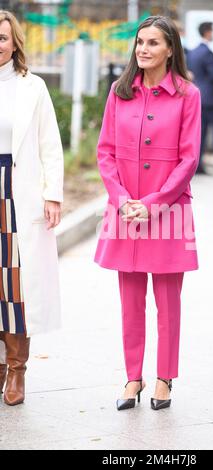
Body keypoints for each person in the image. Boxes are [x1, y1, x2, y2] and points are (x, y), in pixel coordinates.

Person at [94, 15, 200, 411]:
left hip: (169, 209)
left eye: (153, 43)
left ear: (170, 49)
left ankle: (164, 379)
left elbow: (189, 159)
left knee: (168, 303)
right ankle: (132, 378)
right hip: (124, 210)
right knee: (130, 300)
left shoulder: (189, 95)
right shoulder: (119, 92)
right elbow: (105, 152)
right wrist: (122, 199)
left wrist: (154, 203)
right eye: (140, 42)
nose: (143, 49)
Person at [0, 11, 64, 406]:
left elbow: (49, 143)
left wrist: (52, 193)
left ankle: (16, 370)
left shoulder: (32, 87)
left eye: (3, 37)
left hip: (16, 191)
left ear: (14, 42)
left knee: (16, 285)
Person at [187, 22, 213, 174]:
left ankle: (198, 167)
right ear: (207, 32)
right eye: (212, 30)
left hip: (198, 97)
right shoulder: (208, 53)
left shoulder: (193, 52)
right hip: (212, 97)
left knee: (200, 133)